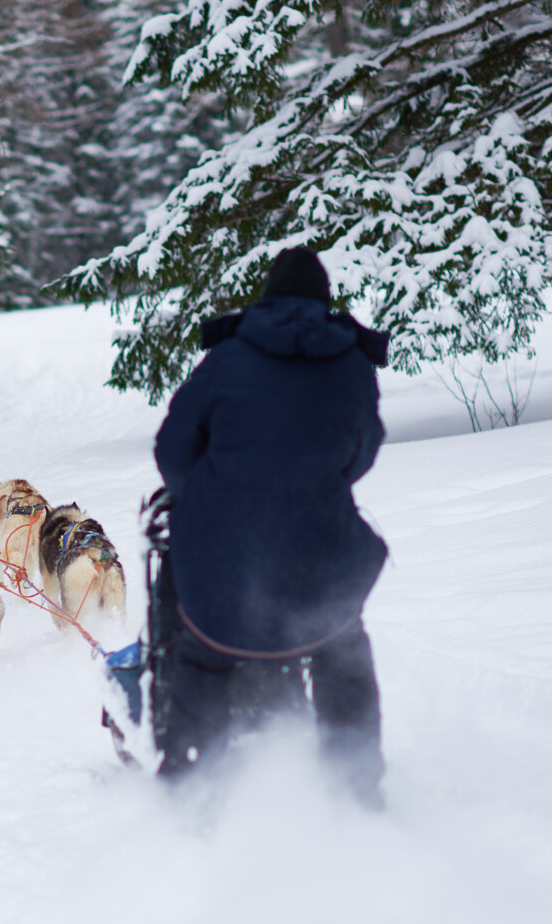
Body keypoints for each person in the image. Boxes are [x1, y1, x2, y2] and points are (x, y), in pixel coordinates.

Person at [149, 246, 390, 805]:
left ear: (267, 298)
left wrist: (212, 487)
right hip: (320, 558)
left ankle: (189, 787)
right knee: (342, 645)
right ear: (325, 301)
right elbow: (362, 452)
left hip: (222, 559)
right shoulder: (353, 362)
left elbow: (173, 454)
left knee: (204, 650)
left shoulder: (229, 357)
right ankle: (355, 787)